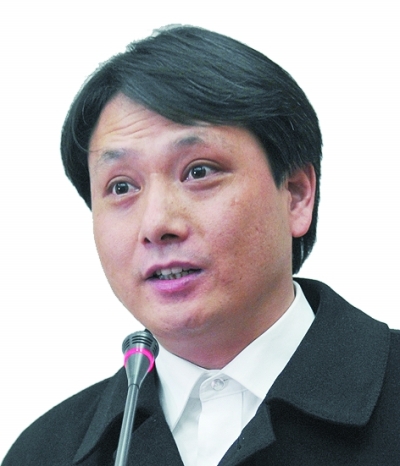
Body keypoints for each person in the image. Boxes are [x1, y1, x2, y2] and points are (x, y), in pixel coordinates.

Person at [3, 25, 400, 466]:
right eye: (121, 187)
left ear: (295, 194)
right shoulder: (44, 452)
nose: (157, 224)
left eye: (199, 171)